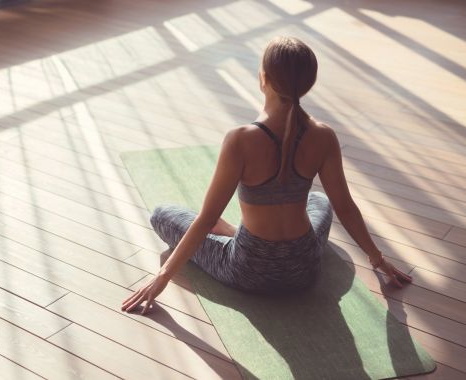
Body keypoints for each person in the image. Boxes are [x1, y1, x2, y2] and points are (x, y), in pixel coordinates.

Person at [121, 36, 412, 315]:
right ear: (307, 85)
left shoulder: (240, 139)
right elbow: (345, 207)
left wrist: (161, 278)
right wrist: (377, 257)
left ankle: (236, 234)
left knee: (162, 214)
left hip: (248, 270)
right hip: (304, 268)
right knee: (320, 200)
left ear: (264, 78)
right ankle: (237, 232)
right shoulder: (324, 136)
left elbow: (207, 219)